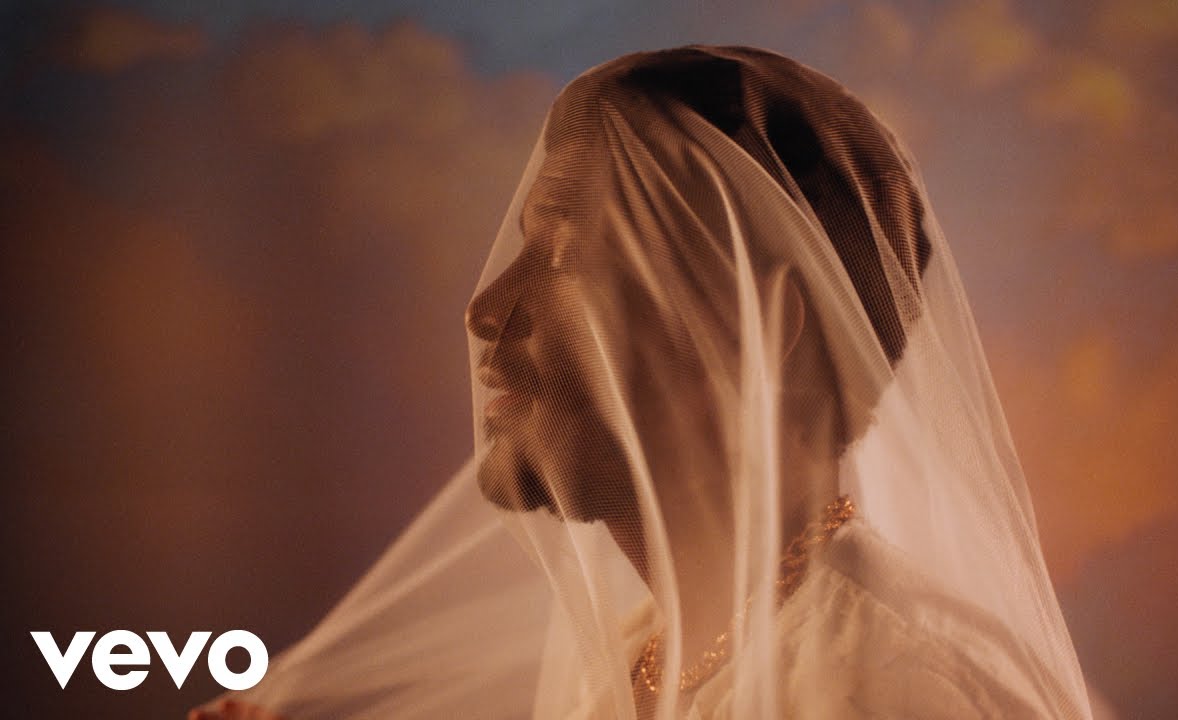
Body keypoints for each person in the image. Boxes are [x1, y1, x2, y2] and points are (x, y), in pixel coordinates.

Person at [192, 46, 1093, 719]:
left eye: (559, 252)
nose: (486, 310)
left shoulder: (895, 690)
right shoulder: (652, 663)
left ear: (759, 322)